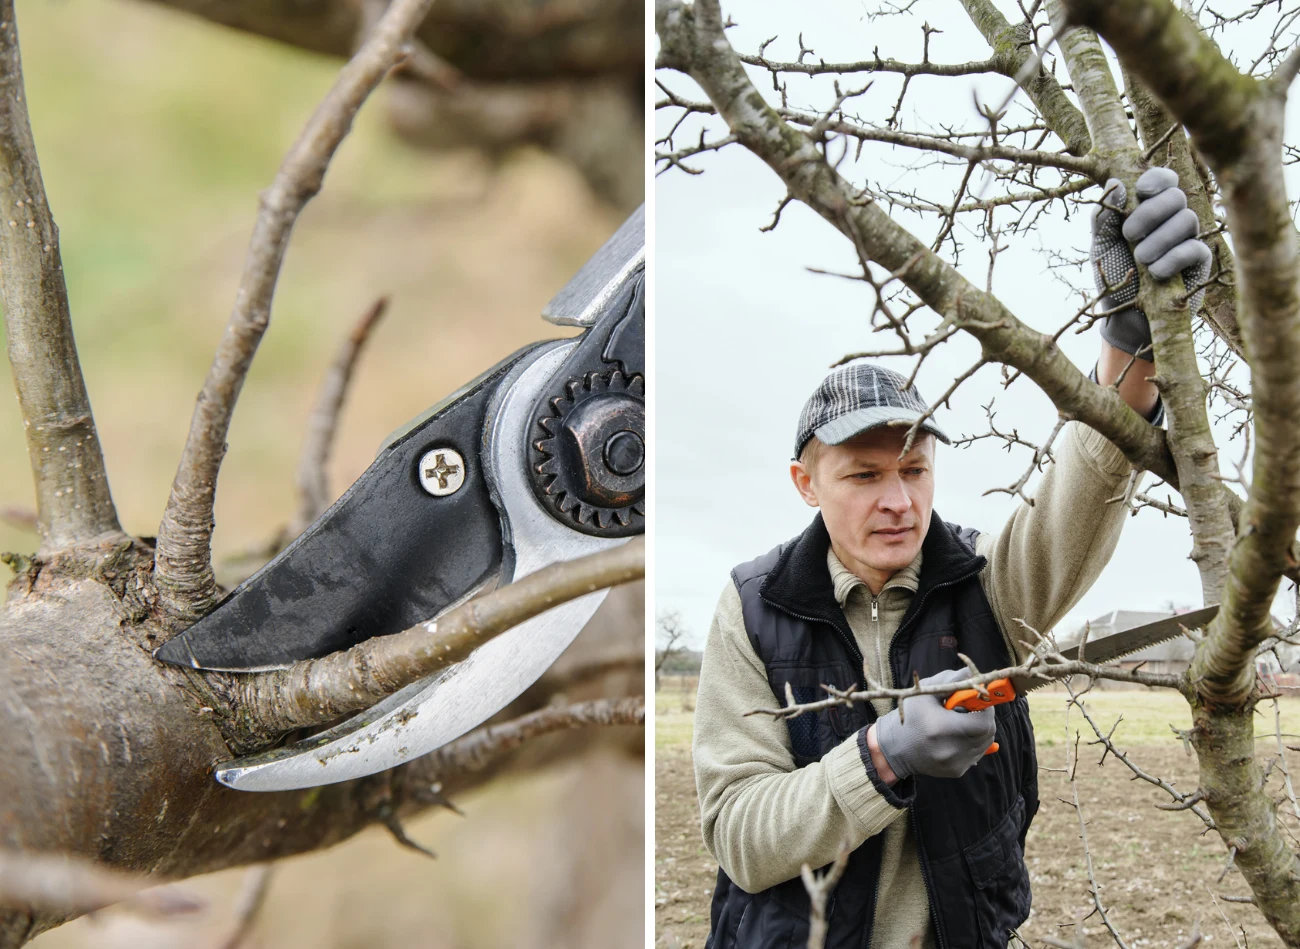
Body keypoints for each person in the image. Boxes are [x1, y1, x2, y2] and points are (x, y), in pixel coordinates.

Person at [692, 167, 1212, 949]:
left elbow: (1088, 476)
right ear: (806, 484)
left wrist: (1133, 342)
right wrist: (882, 756)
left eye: (914, 469)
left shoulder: (983, 584)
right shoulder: (754, 609)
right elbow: (739, 835)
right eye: (864, 476)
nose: (897, 500)